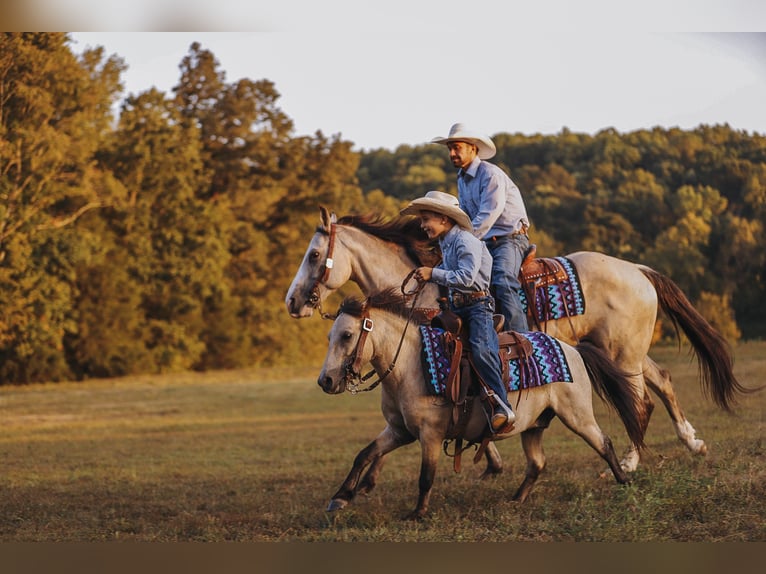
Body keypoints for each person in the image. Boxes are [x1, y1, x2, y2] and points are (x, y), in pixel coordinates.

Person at [401, 190, 515, 432]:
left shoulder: (465, 241)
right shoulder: (447, 242)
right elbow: (449, 272)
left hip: (477, 307)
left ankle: (501, 405)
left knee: (481, 349)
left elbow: (466, 277)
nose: (423, 225)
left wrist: (432, 273)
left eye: (426, 219)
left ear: (443, 219)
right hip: (458, 306)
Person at [431, 123, 530, 333]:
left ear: (473, 148)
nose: (451, 153)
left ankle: (522, 337)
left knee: (503, 280)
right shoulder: (462, 179)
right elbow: (465, 217)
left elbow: (488, 215)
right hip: (483, 241)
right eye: (450, 148)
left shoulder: (490, 174)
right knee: (458, 277)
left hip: (508, 238)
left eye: (456, 147)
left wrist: (464, 242)